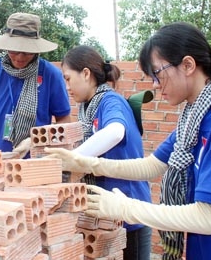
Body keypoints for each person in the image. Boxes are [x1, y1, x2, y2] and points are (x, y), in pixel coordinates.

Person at [45, 22, 211, 260]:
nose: (154, 84)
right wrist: (88, 164)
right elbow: (152, 165)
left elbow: (208, 217)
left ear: (188, 65)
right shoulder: (193, 120)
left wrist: (127, 208)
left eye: (157, 73)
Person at [60, 45, 152, 260]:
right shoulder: (87, 106)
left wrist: (73, 161)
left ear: (85, 73)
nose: (67, 87)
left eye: (68, 78)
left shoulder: (110, 101)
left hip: (128, 217)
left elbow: (115, 132)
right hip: (104, 216)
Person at [0, 12, 71, 158]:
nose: (20, 57)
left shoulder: (51, 75)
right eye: (14, 50)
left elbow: (64, 120)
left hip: (37, 160)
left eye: (27, 52)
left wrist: (37, 140)